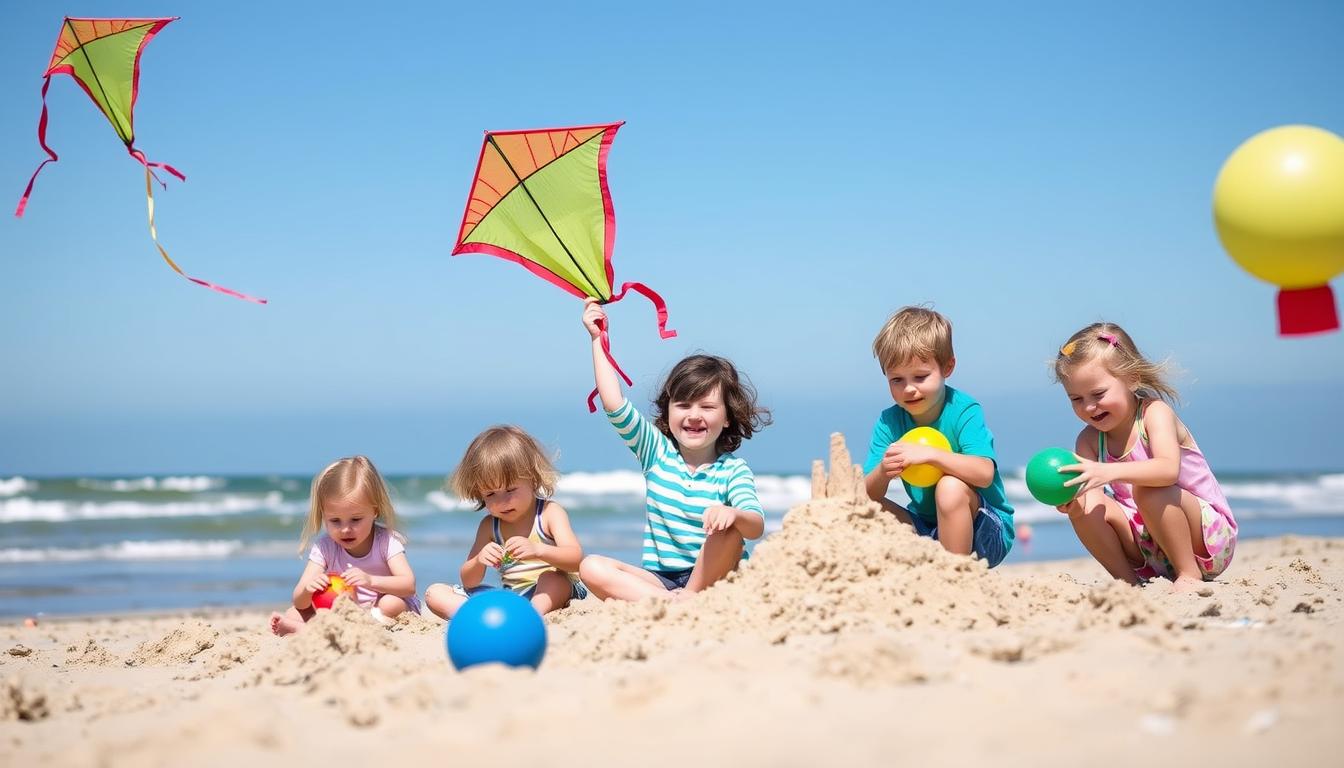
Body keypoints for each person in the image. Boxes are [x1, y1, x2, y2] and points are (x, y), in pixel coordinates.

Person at [577, 298, 772, 600]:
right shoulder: (655, 453)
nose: (694, 415)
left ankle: (688, 598)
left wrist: (732, 513)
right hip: (660, 580)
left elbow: (755, 525)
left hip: (714, 576)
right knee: (591, 567)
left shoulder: (732, 470)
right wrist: (597, 338)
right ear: (668, 412)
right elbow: (613, 404)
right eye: (683, 405)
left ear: (727, 417)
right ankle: (672, 602)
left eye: (707, 407)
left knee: (729, 534)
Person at [1052, 322, 1236, 590]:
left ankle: (1189, 574)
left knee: (1149, 489)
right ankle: (1127, 582)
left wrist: (1108, 472)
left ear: (1133, 377)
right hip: (1151, 548)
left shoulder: (1154, 414)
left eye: (1098, 394)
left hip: (1206, 539)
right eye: (1076, 399)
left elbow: (1167, 470)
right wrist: (1075, 506)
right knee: (1087, 509)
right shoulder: (1089, 440)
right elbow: (1091, 497)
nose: (1089, 406)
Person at [862, 306, 1015, 566]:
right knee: (864, 510)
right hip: (926, 527)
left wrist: (932, 456)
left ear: (947, 367)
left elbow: (984, 472)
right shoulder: (889, 422)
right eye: (896, 380)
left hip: (986, 530)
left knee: (950, 487)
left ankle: (954, 579)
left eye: (920, 377)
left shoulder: (964, 410)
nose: (909, 389)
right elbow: (865, 494)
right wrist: (883, 472)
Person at [424, 426, 586, 618]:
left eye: (510, 490)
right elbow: (469, 581)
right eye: (490, 494)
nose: (502, 501)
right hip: (512, 597)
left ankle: (530, 616)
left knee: (552, 579)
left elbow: (575, 560)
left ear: (533, 480)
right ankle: (482, 616)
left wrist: (538, 550)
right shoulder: (489, 526)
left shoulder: (549, 513)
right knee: (435, 593)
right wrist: (479, 560)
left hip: (553, 591)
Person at [270, 456, 419, 635]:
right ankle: (317, 628)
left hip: (385, 609)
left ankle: (315, 630)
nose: (345, 529)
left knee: (390, 603)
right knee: (293, 612)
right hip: (346, 609)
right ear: (323, 515)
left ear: (375, 511)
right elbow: (299, 600)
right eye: (335, 521)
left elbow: (408, 585)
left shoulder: (386, 541)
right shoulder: (325, 547)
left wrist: (371, 581)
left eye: (355, 519)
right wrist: (308, 588)